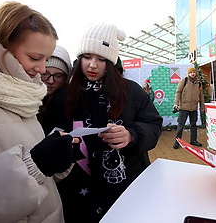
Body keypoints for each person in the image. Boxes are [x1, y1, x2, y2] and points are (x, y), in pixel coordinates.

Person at [0, 1, 78, 222]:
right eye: (35, 58)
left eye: (46, 59)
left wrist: (54, 161)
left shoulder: (18, 94)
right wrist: (35, 165)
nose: (42, 69)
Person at [42, 22, 163, 222]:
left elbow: (153, 126)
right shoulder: (64, 95)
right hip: (76, 191)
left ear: (112, 62)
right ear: (79, 59)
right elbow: (48, 132)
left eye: (101, 59)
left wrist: (131, 135)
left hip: (126, 186)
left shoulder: (131, 91)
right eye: (87, 57)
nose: (92, 65)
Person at [38, 45, 72, 131]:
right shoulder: (22, 99)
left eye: (58, 76)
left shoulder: (69, 104)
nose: (51, 81)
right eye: (45, 74)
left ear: (66, 78)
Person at [173, 67, 205, 149]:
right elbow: (178, 92)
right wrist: (176, 103)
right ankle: (177, 141)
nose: (192, 74)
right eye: (191, 72)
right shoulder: (184, 81)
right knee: (181, 125)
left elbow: (201, 95)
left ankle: (193, 140)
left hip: (194, 108)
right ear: (188, 73)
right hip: (184, 107)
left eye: (194, 72)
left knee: (193, 125)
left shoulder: (199, 83)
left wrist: (202, 106)